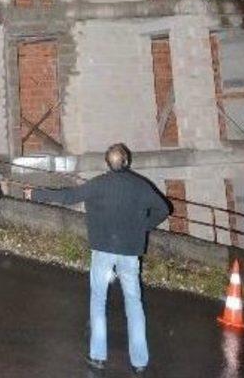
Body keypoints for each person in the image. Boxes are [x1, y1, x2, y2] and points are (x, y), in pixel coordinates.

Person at [25, 143, 170, 375]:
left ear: (107, 163)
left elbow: (68, 196)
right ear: (127, 162)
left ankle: (98, 357)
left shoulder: (99, 184)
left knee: (98, 300)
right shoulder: (141, 186)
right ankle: (140, 360)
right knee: (134, 304)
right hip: (130, 252)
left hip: (103, 249)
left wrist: (36, 193)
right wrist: (142, 226)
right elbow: (164, 209)